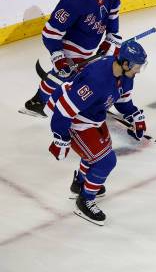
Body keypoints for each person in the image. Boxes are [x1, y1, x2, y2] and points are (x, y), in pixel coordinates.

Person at [46, 40, 148, 226]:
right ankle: (85, 200)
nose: (139, 71)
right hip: (74, 121)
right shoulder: (96, 79)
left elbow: (122, 101)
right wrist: (61, 138)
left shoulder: (125, 75)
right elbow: (63, 110)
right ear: (125, 63)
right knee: (106, 160)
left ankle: (79, 184)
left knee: (97, 153)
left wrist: (134, 115)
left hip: (94, 116)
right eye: (136, 66)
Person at [22, 0, 122, 118]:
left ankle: (91, 101)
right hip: (73, 42)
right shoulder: (72, 0)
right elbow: (50, 33)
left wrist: (111, 37)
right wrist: (58, 57)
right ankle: (39, 102)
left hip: (94, 40)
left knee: (104, 70)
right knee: (66, 73)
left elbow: (113, 13)